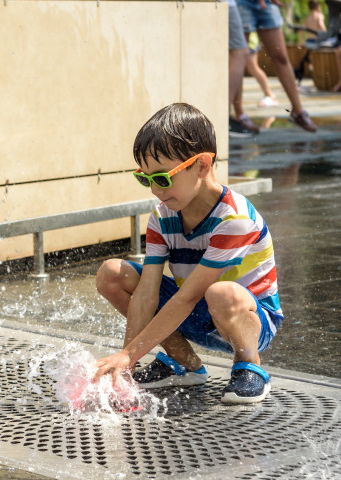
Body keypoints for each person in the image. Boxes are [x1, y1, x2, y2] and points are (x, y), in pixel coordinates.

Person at [92, 103, 283, 404]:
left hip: (246, 318)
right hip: (195, 311)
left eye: (163, 178)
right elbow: (146, 293)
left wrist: (128, 355)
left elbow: (189, 296)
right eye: (146, 178)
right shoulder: (162, 217)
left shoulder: (235, 219)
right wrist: (125, 366)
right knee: (113, 274)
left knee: (221, 293)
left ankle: (250, 366)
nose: (155, 189)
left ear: (202, 165)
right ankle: (185, 364)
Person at [236, 0, 317, 132]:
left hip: (267, 3)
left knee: (281, 57)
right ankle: (240, 116)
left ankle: (298, 112)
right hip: (242, 3)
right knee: (239, 60)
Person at [228, 0, 260, 137]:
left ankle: (227, 117)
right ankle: (224, 119)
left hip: (225, 4)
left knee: (237, 54)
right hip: (224, 4)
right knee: (240, 53)